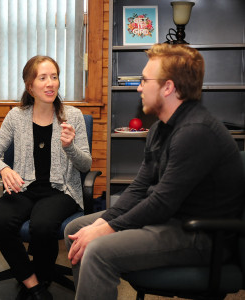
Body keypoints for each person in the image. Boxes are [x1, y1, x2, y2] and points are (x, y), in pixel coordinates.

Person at [64, 43, 245, 300]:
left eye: (144, 80)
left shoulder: (196, 131)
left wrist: (108, 228)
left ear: (168, 87)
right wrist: (104, 222)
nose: (139, 87)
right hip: (171, 221)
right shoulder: (161, 127)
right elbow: (140, 187)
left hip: (201, 236)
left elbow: (161, 202)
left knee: (97, 249)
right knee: (77, 230)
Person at [0, 55, 92, 300]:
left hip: (61, 190)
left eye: (54, 77)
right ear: (29, 86)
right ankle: (33, 284)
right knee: (0, 221)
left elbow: (86, 163)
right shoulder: (16, 116)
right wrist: (4, 169)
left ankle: (40, 277)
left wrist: (70, 147)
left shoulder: (72, 116)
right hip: (24, 188)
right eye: (42, 78)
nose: (50, 83)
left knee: (42, 226)